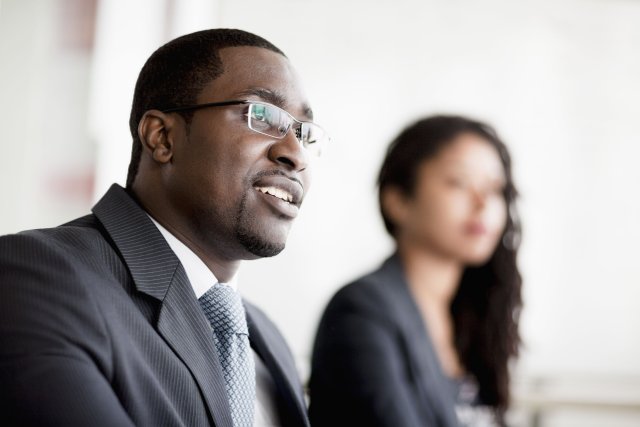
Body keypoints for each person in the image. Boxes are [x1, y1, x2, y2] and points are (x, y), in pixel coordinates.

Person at [0, 28, 328, 427]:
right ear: (162, 137)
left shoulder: (265, 336)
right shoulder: (36, 277)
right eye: (262, 115)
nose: (295, 154)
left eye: (304, 133)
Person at [309, 115, 521, 427]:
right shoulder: (361, 310)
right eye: (458, 182)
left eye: (495, 188)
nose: (483, 202)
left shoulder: (474, 317)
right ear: (398, 201)